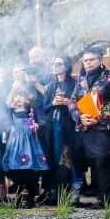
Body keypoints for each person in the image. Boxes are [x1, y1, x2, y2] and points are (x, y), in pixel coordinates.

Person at [69, 48, 110, 203]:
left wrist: (98, 118)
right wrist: (80, 116)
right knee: (88, 161)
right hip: (84, 127)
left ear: (100, 59)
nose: (88, 63)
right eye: (85, 60)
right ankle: (95, 196)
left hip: (103, 127)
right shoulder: (81, 78)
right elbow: (72, 101)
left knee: (102, 161)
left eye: (91, 59)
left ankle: (105, 199)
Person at [2, 87, 48, 207]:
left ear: (27, 98)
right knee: (16, 169)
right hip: (15, 144)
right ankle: (18, 196)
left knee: (30, 169)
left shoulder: (31, 111)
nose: (18, 99)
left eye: (21, 96)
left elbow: (40, 121)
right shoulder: (11, 112)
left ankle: (30, 197)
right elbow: (5, 124)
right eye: (16, 96)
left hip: (29, 145)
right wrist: (9, 108)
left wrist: (37, 125)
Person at [41, 56, 78, 201]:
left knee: (68, 157)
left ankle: (70, 191)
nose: (55, 66)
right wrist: (53, 103)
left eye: (59, 64)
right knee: (54, 158)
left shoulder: (74, 83)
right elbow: (45, 108)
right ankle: (55, 191)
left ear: (66, 66)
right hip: (53, 128)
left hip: (69, 127)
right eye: (53, 63)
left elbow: (81, 103)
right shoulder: (50, 86)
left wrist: (68, 102)